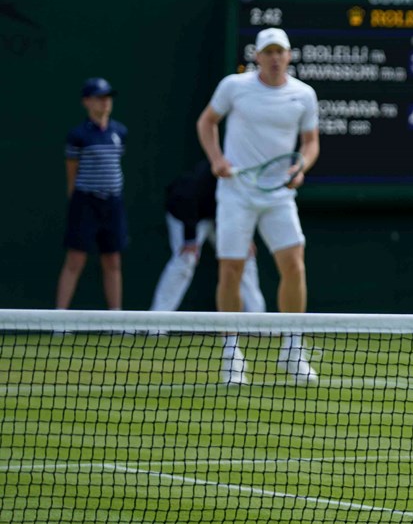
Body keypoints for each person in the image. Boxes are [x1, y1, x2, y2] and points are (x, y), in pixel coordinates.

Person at [196, 27, 320, 385]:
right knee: (231, 270)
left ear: (289, 56)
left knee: (294, 265)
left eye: (281, 52)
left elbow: (311, 142)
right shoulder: (233, 87)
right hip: (236, 192)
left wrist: (302, 167)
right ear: (258, 57)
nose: (275, 58)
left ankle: (293, 350)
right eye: (269, 52)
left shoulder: (304, 95)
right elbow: (206, 122)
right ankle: (231, 354)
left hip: (279, 194)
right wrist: (216, 159)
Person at [149, 160, 266, 313]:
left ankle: (258, 321)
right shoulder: (206, 176)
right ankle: (156, 321)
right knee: (185, 261)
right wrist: (190, 239)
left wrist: (244, 235)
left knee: (244, 257)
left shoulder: (247, 177)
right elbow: (188, 198)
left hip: (219, 217)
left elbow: (239, 209)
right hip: (186, 213)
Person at [55, 78, 128, 310]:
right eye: (99, 98)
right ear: (86, 102)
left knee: (113, 260)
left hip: (113, 203)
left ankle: (116, 320)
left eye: (108, 98)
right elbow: (71, 173)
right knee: (75, 259)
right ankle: (59, 320)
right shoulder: (78, 135)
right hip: (85, 203)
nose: (105, 102)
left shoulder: (120, 132)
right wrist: (77, 200)